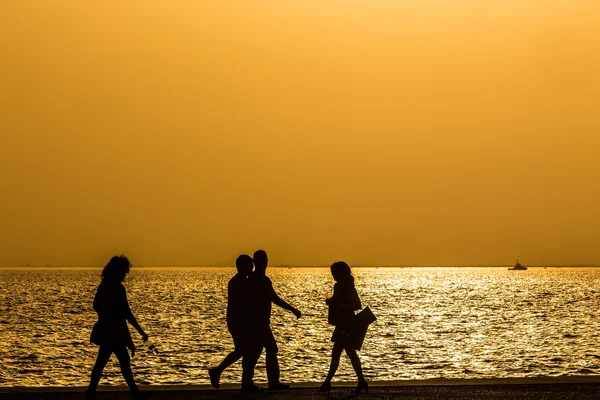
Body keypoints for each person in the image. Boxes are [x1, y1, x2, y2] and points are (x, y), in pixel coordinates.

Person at [85, 256, 149, 400]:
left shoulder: (104, 285)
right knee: (120, 362)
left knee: (104, 362)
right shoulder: (118, 288)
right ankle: (135, 394)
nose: (126, 274)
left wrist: (106, 314)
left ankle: (91, 392)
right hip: (114, 332)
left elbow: (96, 305)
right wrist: (141, 332)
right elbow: (127, 313)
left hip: (108, 330)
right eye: (125, 271)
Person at [240, 250, 301, 392]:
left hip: (260, 323)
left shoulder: (261, 280)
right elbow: (274, 299)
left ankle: (256, 381)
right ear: (256, 263)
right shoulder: (255, 281)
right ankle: (257, 382)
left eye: (264, 260)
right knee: (259, 351)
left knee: (260, 351)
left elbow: (274, 298)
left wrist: (291, 309)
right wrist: (292, 309)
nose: (264, 263)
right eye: (261, 261)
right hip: (256, 323)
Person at [317, 261, 368, 394]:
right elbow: (337, 301)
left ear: (341, 273)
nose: (333, 276)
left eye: (334, 273)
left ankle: (327, 383)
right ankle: (361, 381)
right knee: (350, 353)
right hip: (341, 323)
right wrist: (332, 302)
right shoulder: (337, 287)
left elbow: (357, 305)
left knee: (338, 354)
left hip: (347, 324)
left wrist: (342, 306)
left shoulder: (350, 288)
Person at [208, 254, 254, 389]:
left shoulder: (242, 280)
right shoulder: (238, 282)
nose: (252, 267)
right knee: (244, 350)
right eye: (249, 264)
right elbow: (238, 304)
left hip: (238, 320)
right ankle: (244, 381)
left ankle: (218, 371)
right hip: (237, 321)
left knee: (242, 351)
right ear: (242, 266)